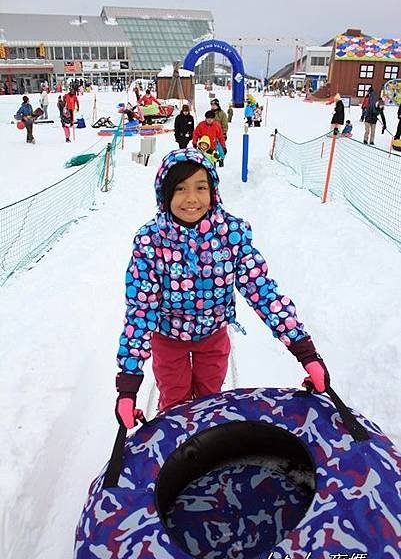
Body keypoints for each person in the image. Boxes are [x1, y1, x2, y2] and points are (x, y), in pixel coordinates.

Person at [115, 148, 331, 428]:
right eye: (180, 188)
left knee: (210, 400)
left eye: (200, 187)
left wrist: (306, 353)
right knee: (175, 402)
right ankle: (176, 446)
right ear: (164, 194)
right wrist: (128, 384)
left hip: (213, 335)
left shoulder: (231, 234)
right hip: (168, 338)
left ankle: (206, 442)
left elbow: (262, 291)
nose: (191, 198)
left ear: (213, 192)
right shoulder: (150, 242)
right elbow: (141, 311)